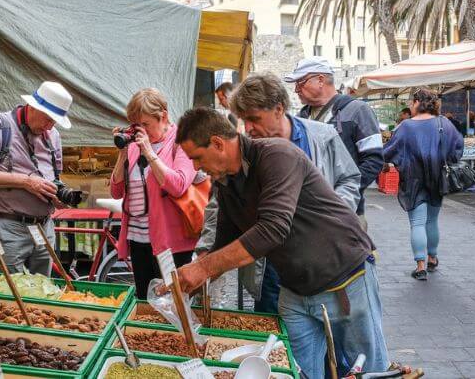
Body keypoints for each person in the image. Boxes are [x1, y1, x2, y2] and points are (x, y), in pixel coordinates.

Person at [174, 107, 389, 378]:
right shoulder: (226, 183)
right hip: (295, 290)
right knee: (296, 372)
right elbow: (224, 243)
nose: (195, 167)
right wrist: (187, 285)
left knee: (368, 370)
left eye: (197, 157)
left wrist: (202, 269)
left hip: (344, 278)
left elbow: (272, 229)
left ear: (217, 143)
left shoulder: (277, 155)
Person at [196, 72, 361, 314]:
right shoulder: (243, 151)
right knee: (277, 336)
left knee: (336, 336)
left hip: (322, 261)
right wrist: (207, 249)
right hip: (270, 264)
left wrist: (329, 220)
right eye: (243, 120)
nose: (248, 128)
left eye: (254, 119)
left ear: (279, 109)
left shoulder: (321, 137)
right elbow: (219, 204)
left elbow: (349, 179)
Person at [0, 81, 71, 275]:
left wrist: (58, 195)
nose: (49, 127)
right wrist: (26, 182)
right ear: (32, 107)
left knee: (42, 291)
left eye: (54, 122)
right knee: (7, 295)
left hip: (44, 228)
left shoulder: (53, 135)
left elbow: (55, 176)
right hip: (7, 227)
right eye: (48, 119)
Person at [110, 88, 199, 299]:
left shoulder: (183, 141)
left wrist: (150, 153)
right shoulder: (134, 145)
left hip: (170, 241)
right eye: (136, 125)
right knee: (145, 300)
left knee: (173, 304)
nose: (141, 130)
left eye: (146, 124)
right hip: (139, 239)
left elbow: (178, 184)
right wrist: (122, 155)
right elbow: (116, 191)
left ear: (164, 116)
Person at [286, 57, 384, 230]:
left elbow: (373, 160)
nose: (296, 89)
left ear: (321, 80)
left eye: (300, 82)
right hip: (307, 214)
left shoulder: (358, 111)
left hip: (347, 214)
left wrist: (341, 196)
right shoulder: (301, 118)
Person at [383, 89, 463, 280]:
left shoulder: (405, 127)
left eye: (412, 101)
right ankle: (432, 257)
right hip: (437, 178)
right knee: (432, 220)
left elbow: (389, 151)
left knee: (417, 223)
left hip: (413, 179)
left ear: (418, 102)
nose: (410, 105)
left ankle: (420, 266)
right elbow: (457, 148)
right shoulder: (444, 123)